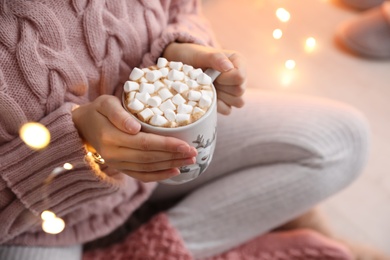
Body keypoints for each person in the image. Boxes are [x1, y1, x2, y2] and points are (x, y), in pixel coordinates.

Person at [0, 0, 384, 259]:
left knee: (343, 139)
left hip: (171, 155)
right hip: (43, 215)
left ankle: (151, 249)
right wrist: (74, 146)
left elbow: (183, 5)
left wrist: (183, 46)